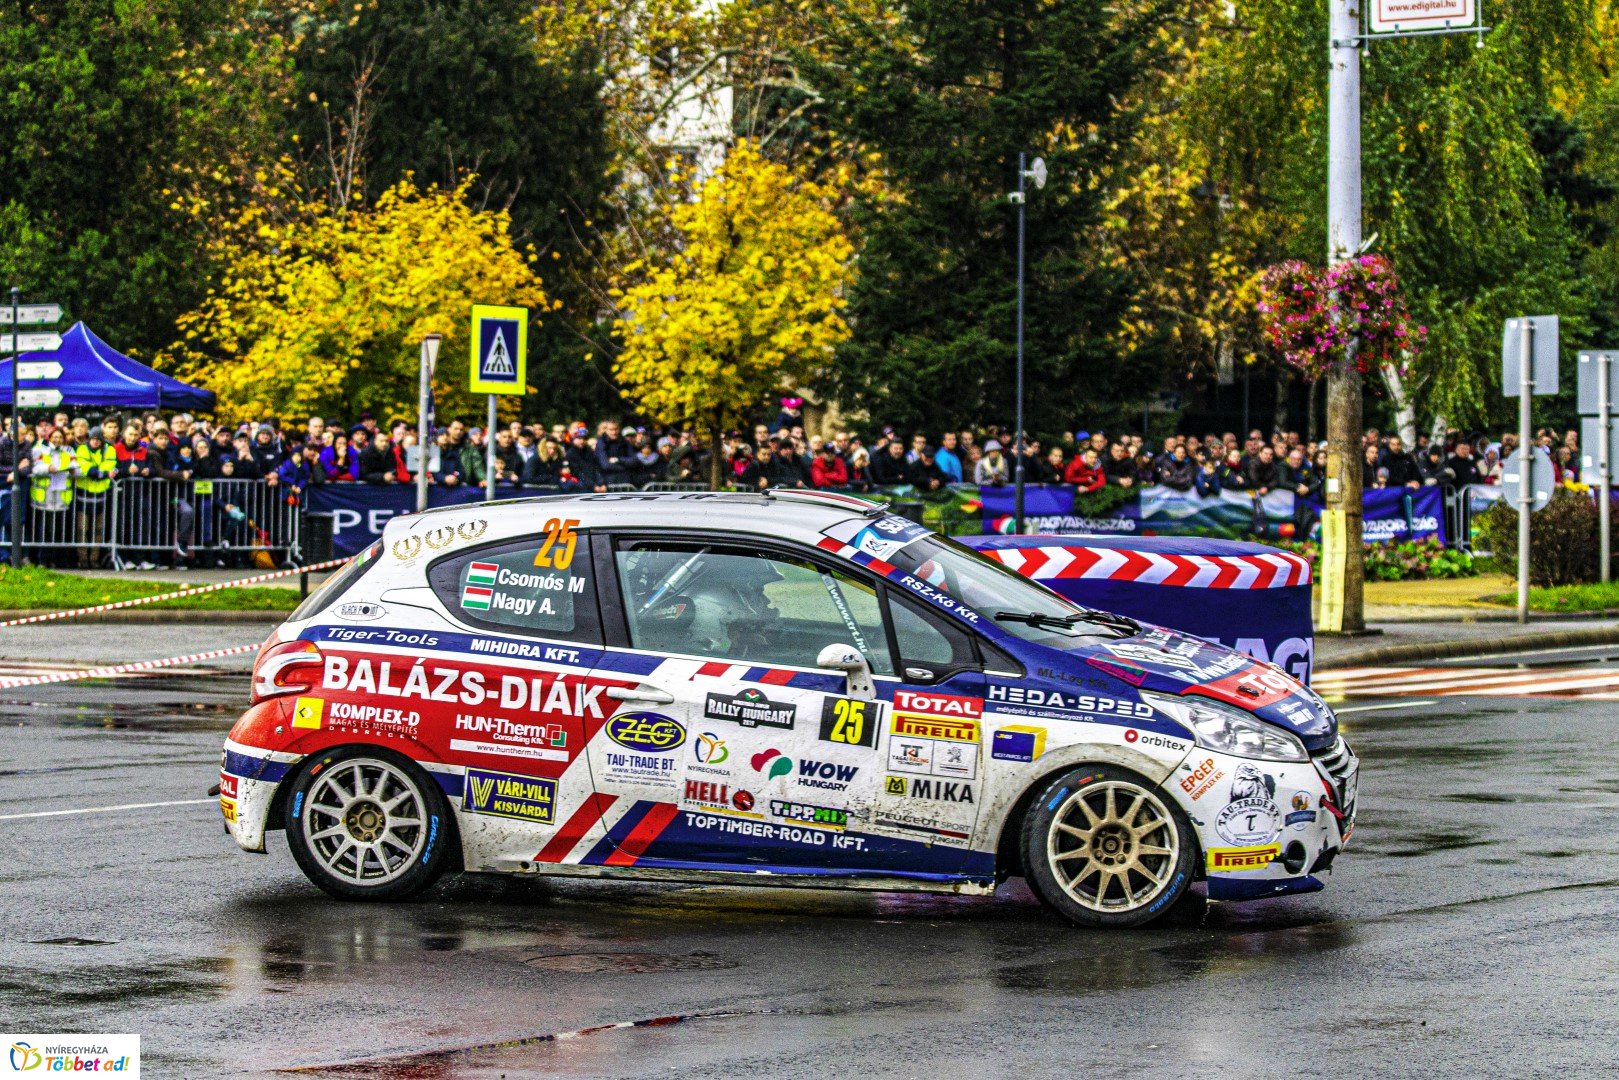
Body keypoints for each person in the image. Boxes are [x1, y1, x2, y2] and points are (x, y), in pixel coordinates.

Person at [30, 427, 78, 562]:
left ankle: (55, 560)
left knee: (58, 532)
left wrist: (74, 471)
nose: (57, 440)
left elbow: (77, 467)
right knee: (43, 531)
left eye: (60, 437)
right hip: (44, 497)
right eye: (54, 437)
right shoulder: (40, 448)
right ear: (49, 437)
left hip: (61, 497)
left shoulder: (68, 450)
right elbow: (35, 467)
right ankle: (41, 560)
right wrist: (47, 468)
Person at [73, 428, 116, 568]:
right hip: (84, 495)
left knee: (98, 530)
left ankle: (94, 558)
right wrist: (101, 473)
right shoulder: (82, 450)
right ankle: (83, 558)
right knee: (82, 529)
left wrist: (99, 473)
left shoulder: (109, 450)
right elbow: (87, 469)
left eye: (98, 439)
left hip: (101, 495)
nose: (95, 442)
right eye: (93, 439)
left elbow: (110, 465)